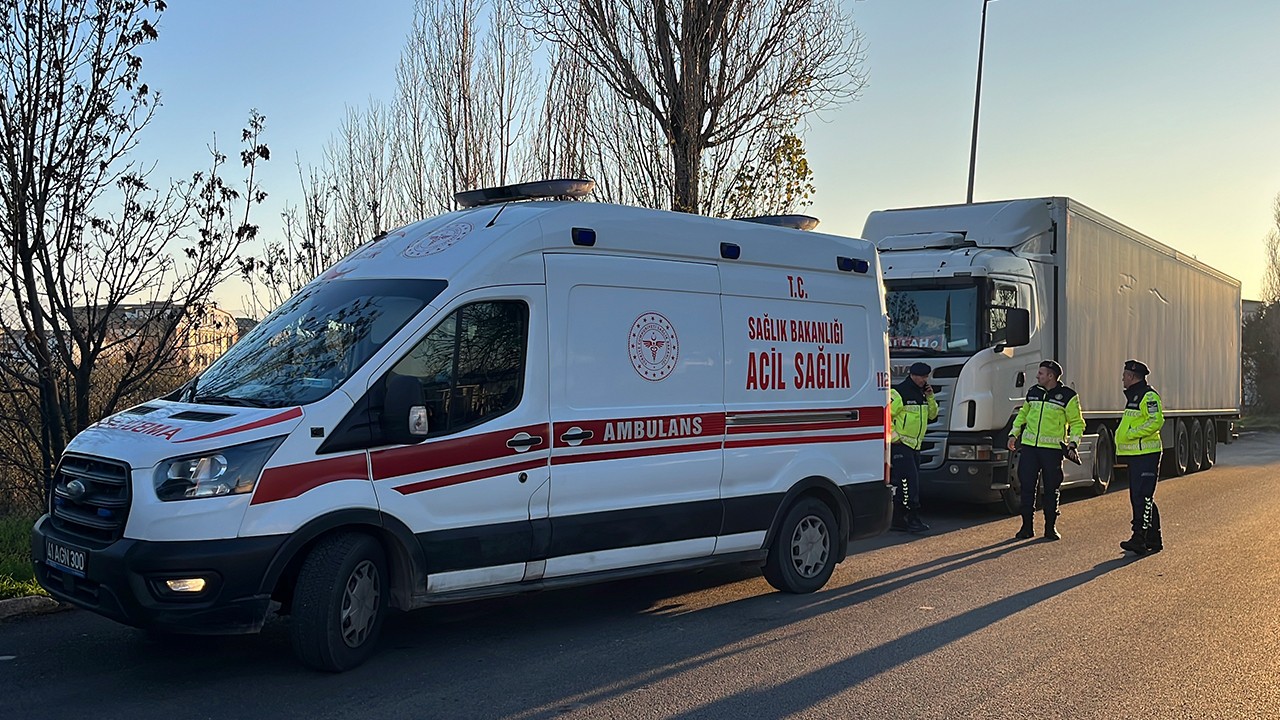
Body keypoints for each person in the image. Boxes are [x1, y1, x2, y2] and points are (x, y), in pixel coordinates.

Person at [1007, 360, 1084, 541]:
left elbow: (1077, 423)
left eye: (1041, 373)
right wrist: (1013, 434)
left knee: (1051, 489)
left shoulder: (1068, 396)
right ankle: (1026, 527)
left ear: (1051, 376)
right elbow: (1023, 415)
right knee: (1027, 487)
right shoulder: (1033, 392)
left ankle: (1050, 528)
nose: (1037, 376)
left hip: (1052, 450)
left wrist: (1073, 444)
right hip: (1030, 449)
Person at [1116, 359, 1165, 555]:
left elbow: (1156, 421)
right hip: (1136, 454)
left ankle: (1139, 538)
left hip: (1146, 454)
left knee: (1142, 497)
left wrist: (1130, 434)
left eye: (1124, 375)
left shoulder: (1148, 396)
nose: (1122, 379)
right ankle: (1153, 539)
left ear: (1131, 376)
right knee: (1141, 497)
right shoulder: (1134, 396)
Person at [889, 362, 938, 533]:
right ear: (913, 375)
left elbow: (932, 415)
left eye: (926, 377)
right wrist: (895, 439)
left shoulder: (922, 393)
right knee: (909, 484)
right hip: (902, 445)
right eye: (922, 377)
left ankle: (899, 519)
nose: (924, 380)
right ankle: (911, 519)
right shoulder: (899, 392)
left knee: (910, 483)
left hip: (915, 446)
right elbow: (886, 416)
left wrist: (930, 397)